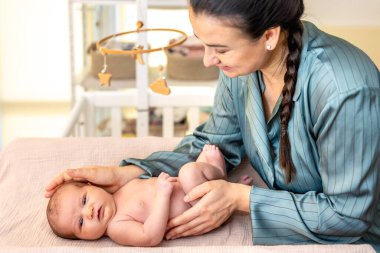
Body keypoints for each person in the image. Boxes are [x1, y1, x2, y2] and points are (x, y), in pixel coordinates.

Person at [46, 0, 380, 246]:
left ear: (269, 35)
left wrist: (240, 199)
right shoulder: (244, 71)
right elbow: (214, 141)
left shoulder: (342, 89)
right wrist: (128, 174)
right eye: (202, 43)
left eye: (219, 48)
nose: (207, 60)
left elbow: (349, 216)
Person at [46, 145, 249, 246]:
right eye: (80, 223)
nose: (88, 212)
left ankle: (224, 187)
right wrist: (162, 195)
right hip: (198, 211)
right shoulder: (116, 227)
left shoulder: (118, 191)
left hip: (192, 191)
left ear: (92, 185)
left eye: (84, 200)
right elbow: (150, 236)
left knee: (194, 165)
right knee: (188, 172)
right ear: (84, 240)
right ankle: (221, 178)